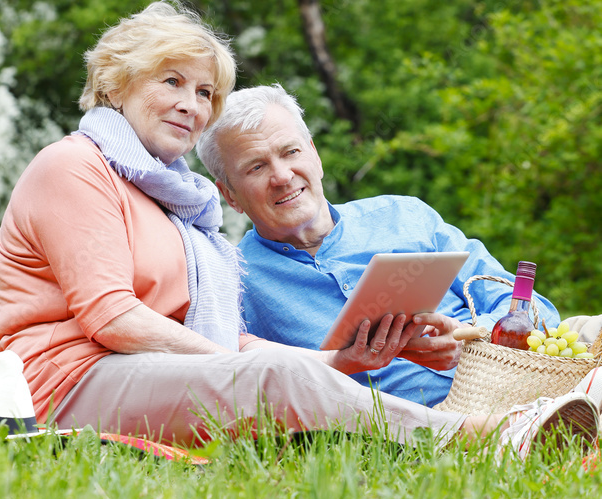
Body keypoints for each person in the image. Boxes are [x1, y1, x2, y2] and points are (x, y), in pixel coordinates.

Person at [0, 2, 599, 457]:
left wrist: (335, 360)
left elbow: (224, 335)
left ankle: (557, 413)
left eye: (205, 91)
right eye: (170, 81)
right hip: (64, 381)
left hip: (141, 371)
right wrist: (245, 368)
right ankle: (486, 440)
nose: (190, 102)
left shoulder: (170, 198)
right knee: (274, 376)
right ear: (115, 83)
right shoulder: (75, 165)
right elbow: (111, 318)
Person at [196, 84, 569, 408]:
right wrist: (333, 361)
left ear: (314, 154)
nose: (281, 176)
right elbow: (236, 378)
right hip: (415, 419)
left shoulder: (405, 216)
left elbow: (535, 310)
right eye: (256, 168)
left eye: (290, 152)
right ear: (229, 194)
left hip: (508, 376)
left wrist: (470, 336)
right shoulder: (232, 276)